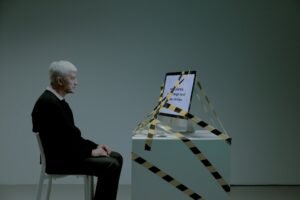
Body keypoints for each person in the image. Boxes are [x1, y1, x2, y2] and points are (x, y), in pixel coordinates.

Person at [31, 60, 123, 200]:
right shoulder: (48, 104)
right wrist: (91, 151)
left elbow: (71, 136)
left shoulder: (56, 101)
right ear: (60, 80)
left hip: (67, 153)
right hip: (59, 160)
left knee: (116, 157)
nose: (76, 82)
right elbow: (63, 144)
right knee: (110, 164)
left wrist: (96, 146)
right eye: (72, 78)